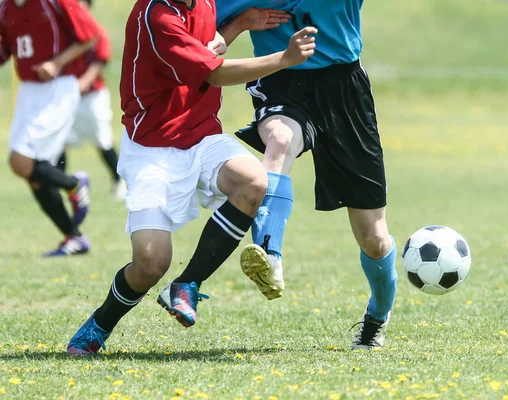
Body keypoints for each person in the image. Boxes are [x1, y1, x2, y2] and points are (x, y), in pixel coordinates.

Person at [66, 0, 316, 356]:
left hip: (202, 136)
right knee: (151, 262)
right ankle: (101, 322)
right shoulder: (156, 16)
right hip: (151, 147)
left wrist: (240, 23)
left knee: (253, 182)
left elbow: (209, 45)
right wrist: (285, 59)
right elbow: (212, 71)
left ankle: (187, 284)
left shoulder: (204, 4)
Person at [217, 1, 398, 350]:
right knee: (280, 140)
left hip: (344, 87)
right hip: (281, 80)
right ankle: (270, 255)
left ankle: (377, 314)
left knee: (373, 237)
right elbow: (204, 37)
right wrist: (235, 26)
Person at [0, 0, 100, 256]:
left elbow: (90, 36)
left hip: (59, 87)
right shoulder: (5, 7)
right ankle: (74, 238)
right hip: (29, 92)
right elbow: (6, 49)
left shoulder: (56, 2)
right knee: (32, 175)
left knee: (20, 161)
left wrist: (56, 62)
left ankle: (74, 183)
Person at [58, 0, 127, 200]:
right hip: (66, 95)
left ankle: (118, 180)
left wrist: (84, 81)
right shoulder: (63, 32)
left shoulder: (97, 30)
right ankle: (61, 184)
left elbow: (101, 60)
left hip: (92, 95)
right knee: (61, 141)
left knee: (101, 139)